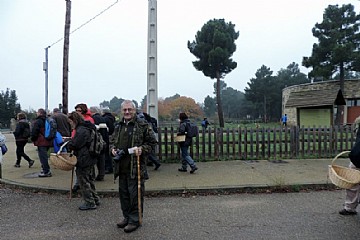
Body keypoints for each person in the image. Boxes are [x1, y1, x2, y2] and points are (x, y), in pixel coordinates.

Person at [110, 100, 157, 233]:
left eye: (129, 109)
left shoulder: (142, 124)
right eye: (124, 110)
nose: (127, 112)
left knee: (135, 196)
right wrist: (112, 149)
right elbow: (112, 141)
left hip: (135, 168)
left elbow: (153, 142)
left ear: (134, 110)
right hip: (121, 167)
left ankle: (135, 220)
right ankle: (127, 217)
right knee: (124, 195)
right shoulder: (118, 125)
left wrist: (142, 149)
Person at [67, 111, 100, 210]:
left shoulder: (81, 130)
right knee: (90, 180)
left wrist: (68, 143)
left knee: (83, 181)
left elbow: (76, 144)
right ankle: (95, 199)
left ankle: (90, 202)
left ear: (74, 120)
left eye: (70, 122)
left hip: (84, 158)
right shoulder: (87, 127)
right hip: (90, 157)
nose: (70, 124)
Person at [339, 117, 360, 215]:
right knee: (352, 184)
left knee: (352, 184)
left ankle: (349, 207)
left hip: (357, 157)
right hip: (357, 157)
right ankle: (349, 208)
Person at [31, 108, 52, 177]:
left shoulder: (38, 121)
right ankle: (45, 169)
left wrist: (33, 139)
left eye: (37, 112)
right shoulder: (47, 120)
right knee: (44, 156)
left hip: (41, 141)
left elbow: (35, 131)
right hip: (48, 139)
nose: (36, 113)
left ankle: (46, 171)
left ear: (40, 113)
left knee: (43, 157)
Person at [89, 106, 107, 181]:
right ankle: (101, 174)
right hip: (103, 141)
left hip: (96, 142)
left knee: (93, 158)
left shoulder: (93, 119)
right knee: (102, 159)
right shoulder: (103, 118)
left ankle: (92, 176)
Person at [102, 107, 115, 174]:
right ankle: (111, 166)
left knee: (107, 152)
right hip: (112, 135)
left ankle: (108, 167)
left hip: (108, 136)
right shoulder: (112, 117)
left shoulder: (105, 119)